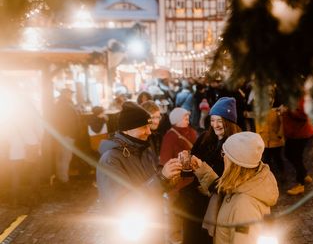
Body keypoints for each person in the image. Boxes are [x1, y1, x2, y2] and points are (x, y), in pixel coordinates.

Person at [96, 102, 182, 244]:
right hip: (130, 236)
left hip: (152, 229)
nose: (149, 131)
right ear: (127, 130)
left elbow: (153, 184)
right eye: (144, 127)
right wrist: (161, 178)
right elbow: (121, 203)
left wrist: (169, 178)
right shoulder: (111, 159)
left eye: (149, 126)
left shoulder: (145, 150)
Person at [191, 132, 279, 244]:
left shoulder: (244, 208)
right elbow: (223, 189)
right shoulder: (245, 182)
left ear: (235, 164)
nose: (223, 158)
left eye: (224, 154)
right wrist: (201, 169)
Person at [181, 96, 241, 244]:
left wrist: (202, 169)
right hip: (196, 202)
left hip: (217, 203)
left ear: (229, 121)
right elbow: (193, 164)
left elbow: (231, 181)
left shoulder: (237, 144)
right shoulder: (204, 138)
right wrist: (186, 162)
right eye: (213, 120)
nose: (215, 125)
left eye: (220, 120)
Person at [160, 107, 198, 244]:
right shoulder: (170, 136)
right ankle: (174, 236)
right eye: (185, 117)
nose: (188, 119)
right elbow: (164, 159)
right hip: (177, 182)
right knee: (174, 210)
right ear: (176, 120)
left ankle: (187, 234)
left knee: (188, 210)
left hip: (191, 179)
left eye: (188, 117)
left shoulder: (192, 132)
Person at [282, 96, 313, 195]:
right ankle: (304, 174)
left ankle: (300, 184)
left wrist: (288, 110)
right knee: (289, 154)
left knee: (296, 157)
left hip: (300, 133)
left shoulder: (301, 97)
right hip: (294, 133)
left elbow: (303, 115)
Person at [53, 88, 81, 185]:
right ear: (66, 94)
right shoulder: (67, 105)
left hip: (60, 134)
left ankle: (60, 176)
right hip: (67, 134)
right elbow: (71, 121)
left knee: (60, 157)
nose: (71, 95)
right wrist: (72, 133)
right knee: (66, 157)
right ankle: (64, 179)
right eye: (70, 93)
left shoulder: (59, 104)